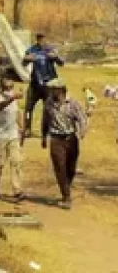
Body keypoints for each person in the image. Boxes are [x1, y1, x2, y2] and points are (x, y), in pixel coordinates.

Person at [41, 78, 88, 209]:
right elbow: (45, 120)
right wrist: (44, 137)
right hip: (56, 139)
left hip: (71, 139)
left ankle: (66, 186)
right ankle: (66, 196)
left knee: (70, 168)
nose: (50, 91)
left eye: (53, 89)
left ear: (60, 90)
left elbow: (82, 118)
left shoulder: (72, 103)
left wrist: (83, 130)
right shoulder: (48, 103)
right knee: (59, 167)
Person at [23, 32, 64, 136]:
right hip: (35, 84)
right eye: (39, 39)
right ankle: (27, 129)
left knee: (50, 108)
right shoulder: (32, 50)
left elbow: (61, 63)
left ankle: (49, 129)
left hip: (49, 85)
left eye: (43, 39)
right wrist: (27, 59)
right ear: (37, 40)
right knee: (28, 107)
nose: (42, 41)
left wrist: (55, 57)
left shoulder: (51, 50)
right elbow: (23, 63)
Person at [0, 77, 25, 201]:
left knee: (16, 161)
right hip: (0, 135)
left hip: (13, 134)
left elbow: (17, 113)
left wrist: (22, 128)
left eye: (10, 79)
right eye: (5, 79)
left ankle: (17, 190)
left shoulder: (14, 96)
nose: (8, 81)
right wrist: (13, 98)